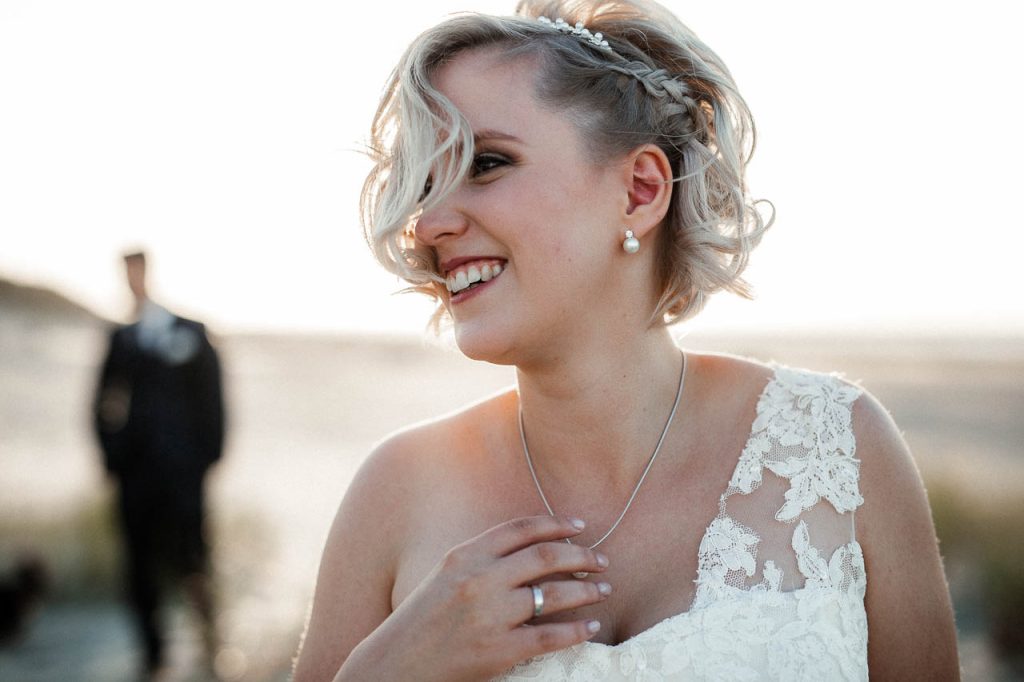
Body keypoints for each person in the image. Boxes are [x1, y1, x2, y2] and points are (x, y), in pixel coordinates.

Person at [294, 1, 959, 679]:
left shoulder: (836, 449)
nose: (428, 223)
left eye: (487, 163)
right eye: (426, 184)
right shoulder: (395, 492)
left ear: (641, 190)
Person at [93, 250, 225, 674]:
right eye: (126, 273)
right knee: (138, 567)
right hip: (135, 475)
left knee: (195, 559)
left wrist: (207, 458)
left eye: (137, 270)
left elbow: (214, 402)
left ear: (147, 271)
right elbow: (100, 402)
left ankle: (212, 647)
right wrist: (112, 455)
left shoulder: (191, 331)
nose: (132, 279)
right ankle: (154, 655)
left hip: (184, 475)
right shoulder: (120, 338)